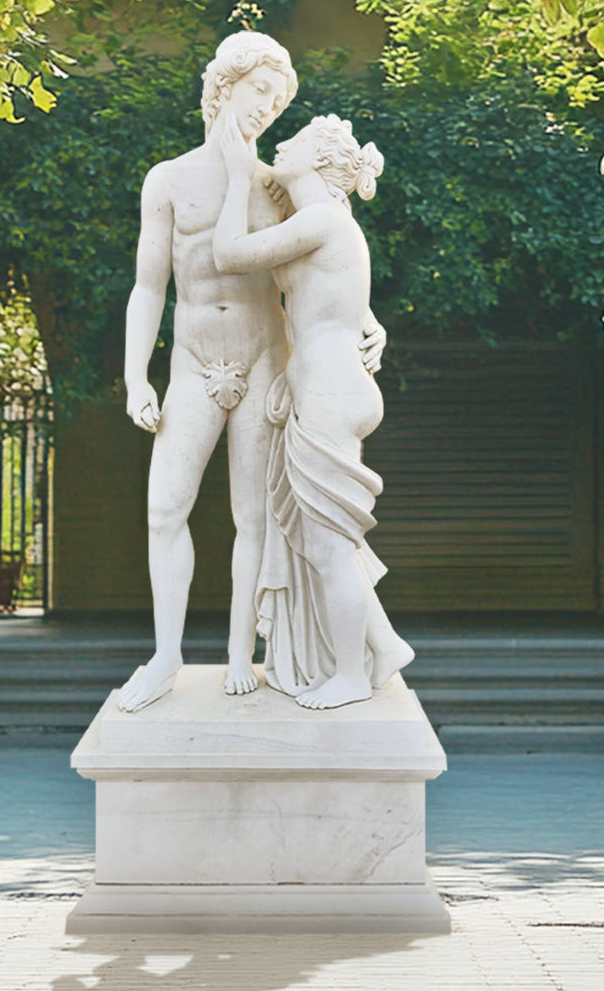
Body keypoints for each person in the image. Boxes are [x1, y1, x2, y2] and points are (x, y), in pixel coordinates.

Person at [117, 35, 386, 712]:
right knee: (163, 508)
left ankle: (243, 652)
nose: (268, 107)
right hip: (193, 359)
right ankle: (166, 654)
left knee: (255, 516)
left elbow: (325, 262)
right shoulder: (168, 180)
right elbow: (150, 287)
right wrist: (135, 375)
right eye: (260, 90)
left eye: (279, 98)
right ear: (224, 85)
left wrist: (368, 319)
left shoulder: (277, 185)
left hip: (268, 359)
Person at [212, 112, 414, 709]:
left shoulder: (323, 220)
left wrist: (233, 177)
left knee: (327, 546)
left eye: (294, 141)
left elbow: (228, 254)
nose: (282, 142)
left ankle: (350, 675)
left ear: (320, 163)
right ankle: (385, 642)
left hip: (330, 392)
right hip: (326, 387)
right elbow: (346, 307)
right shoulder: (327, 222)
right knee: (323, 537)